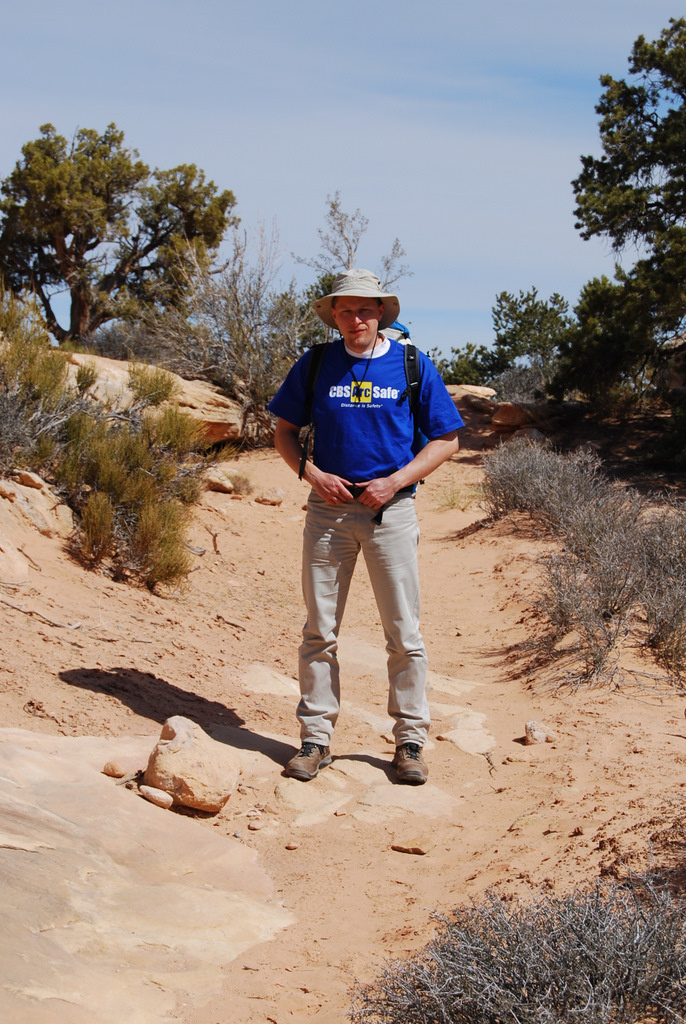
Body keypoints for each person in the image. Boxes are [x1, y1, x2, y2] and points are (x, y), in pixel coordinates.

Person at [268, 268, 464, 784]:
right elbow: (284, 431)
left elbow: (446, 440)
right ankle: (314, 739)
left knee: (403, 633)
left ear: (382, 314)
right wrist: (309, 472)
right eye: (346, 310)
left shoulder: (411, 364)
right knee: (319, 631)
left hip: (389, 513)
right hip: (327, 513)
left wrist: (395, 481)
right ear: (334, 314)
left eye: (365, 310)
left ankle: (410, 743)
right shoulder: (315, 364)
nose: (355, 319)